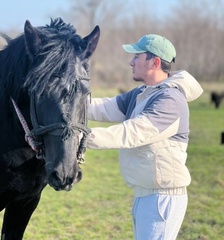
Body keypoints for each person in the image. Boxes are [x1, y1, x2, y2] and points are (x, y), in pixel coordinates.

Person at [86, 34, 203, 240]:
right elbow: (104, 107)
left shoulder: (170, 99)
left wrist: (76, 138)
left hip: (161, 199)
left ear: (154, 62)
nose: (131, 62)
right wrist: (63, 103)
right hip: (146, 194)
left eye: (137, 57)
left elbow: (131, 133)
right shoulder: (142, 93)